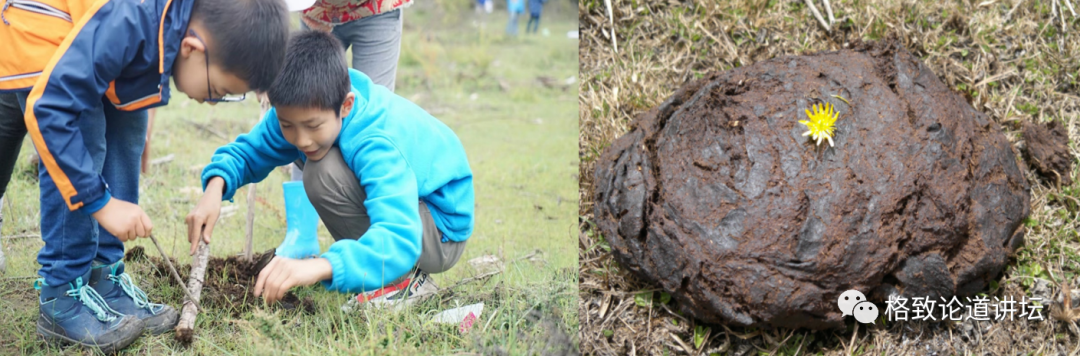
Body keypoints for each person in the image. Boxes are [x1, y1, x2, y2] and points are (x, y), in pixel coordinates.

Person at [0, 0, 295, 351]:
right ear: (191, 48)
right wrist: (101, 203)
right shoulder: (130, 20)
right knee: (83, 130)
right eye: (221, 91)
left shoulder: (159, 27)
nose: (214, 102)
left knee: (130, 121)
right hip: (43, 30)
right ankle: (61, 295)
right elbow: (51, 107)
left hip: (92, 33)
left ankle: (104, 274)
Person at [185, 30, 473, 311]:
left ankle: (403, 282)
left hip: (438, 231)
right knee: (317, 160)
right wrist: (215, 188)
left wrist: (322, 266)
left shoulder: (374, 142)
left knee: (322, 172)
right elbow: (249, 152)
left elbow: (400, 235)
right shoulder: (299, 108)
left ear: (345, 105)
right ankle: (381, 271)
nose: (301, 139)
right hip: (415, 218)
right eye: (288, 126)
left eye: (313, 126)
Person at [278, 0, 410, 259]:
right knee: (301, 112)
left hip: (375, 10)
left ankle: (373, 238)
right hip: (317, 11)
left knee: (370, 124)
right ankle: (301, 235)